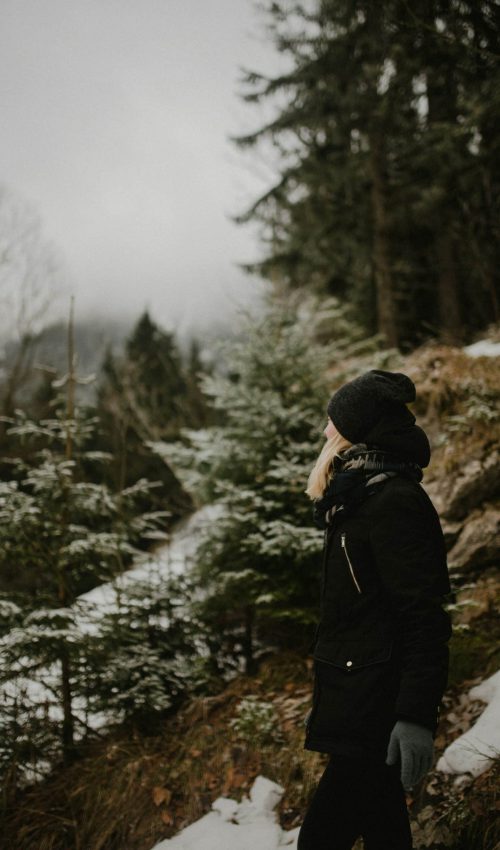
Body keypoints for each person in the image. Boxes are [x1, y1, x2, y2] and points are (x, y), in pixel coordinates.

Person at [297, 369, 451, 850]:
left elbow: (424, 616)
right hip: (358, 696)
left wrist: (415, 716)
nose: (325, 430)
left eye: (333, 422)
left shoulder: (394, 502)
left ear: (356, 431)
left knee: (319, 840)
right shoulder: (360, 498)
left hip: (376, 711)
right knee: (386, 833)